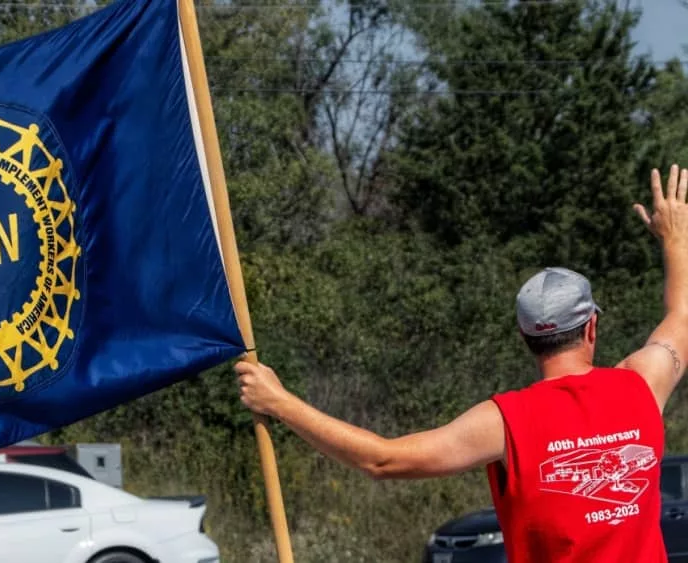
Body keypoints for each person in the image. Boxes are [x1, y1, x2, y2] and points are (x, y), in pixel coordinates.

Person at [235, 164, 688, 562]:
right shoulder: (643, 383)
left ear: (524, 337)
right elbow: (681, 316)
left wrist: (280, 402)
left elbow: (382, 459)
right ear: (592, 327)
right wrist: (673, 237)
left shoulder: (506, 422)